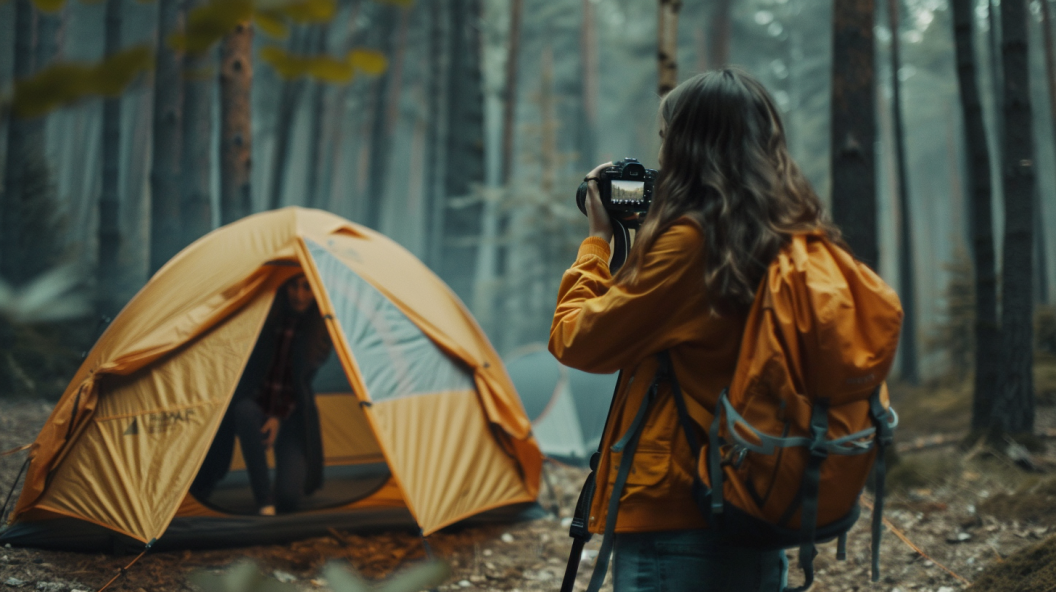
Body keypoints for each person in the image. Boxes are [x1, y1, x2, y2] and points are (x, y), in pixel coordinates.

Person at [549, 69, 844, 591]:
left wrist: (597, 242)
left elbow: (577, 338)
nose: (663, 158)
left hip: (680, 516)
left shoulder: (692, 246)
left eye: (667, 139)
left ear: (691, 144)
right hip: (755, 497)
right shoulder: (792, 238)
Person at [191, 273, 332, 515]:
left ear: (316, 291)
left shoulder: (320, 331)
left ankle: (277, 496)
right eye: (293, 286)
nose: (299, 295)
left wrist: (276, 416)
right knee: (243, 411)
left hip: (291, 413)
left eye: (307, 288)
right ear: (283, 287)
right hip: (255, 402)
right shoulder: (264, 319)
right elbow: (249, 376)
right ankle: (263, 499)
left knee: (288, 500)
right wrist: (267, 412)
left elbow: (299, 383)